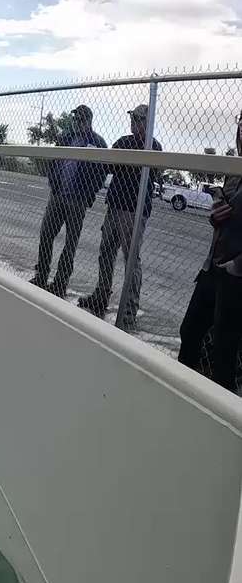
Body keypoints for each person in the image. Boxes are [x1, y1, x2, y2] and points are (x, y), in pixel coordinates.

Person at [78, 104, 163, 329]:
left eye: (139, 119)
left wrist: (124, 164)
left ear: (148, 122)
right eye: (133, 118)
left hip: (134, 210)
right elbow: (110, 164)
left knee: (131, 259)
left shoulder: (153, 146)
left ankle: (129, 310)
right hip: (115, 205)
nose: (134, 122)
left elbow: (151, 172)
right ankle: (102, 294)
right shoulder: (124, 141)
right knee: (106, 251)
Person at [177, 110, 242, 392]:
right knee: (190, 331)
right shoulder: (234, 173)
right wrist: (216, 216)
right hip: (214, 268)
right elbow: (221, 220)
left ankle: (223, 415)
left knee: (224, 352)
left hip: (236, 275)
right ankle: (180, 393)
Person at [30, 104, 108, 297]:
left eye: (81, 119)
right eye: (75, 119)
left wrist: (87, 194)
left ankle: (60, 282)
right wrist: (53, 182)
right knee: (46, 233)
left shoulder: (97, 143)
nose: (77, 123)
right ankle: (42, 275)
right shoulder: (66, 137)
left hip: (77, 200)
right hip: (58, 195)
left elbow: (101, 173)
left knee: (70, 243)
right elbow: (54, 161)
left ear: (89, 121)